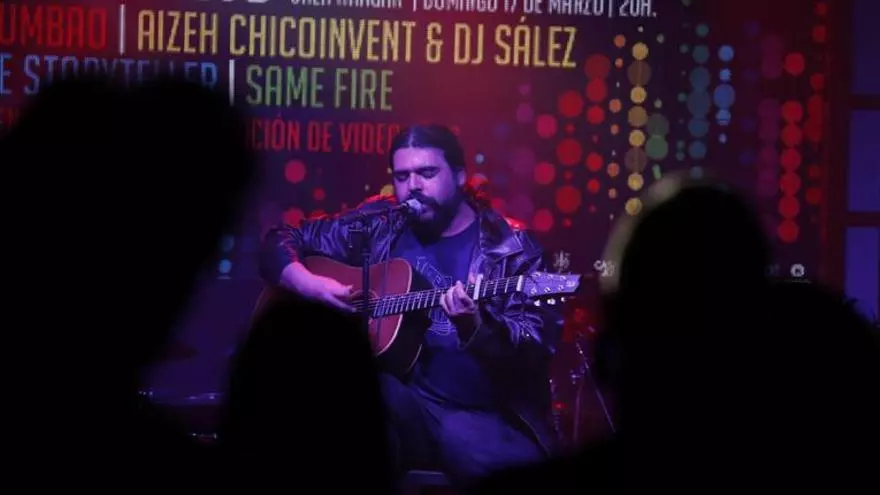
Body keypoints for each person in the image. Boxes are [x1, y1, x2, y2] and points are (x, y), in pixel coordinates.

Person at [259, 124, 561, 490]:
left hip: (482, 413)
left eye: (427, 173)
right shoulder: (381, 222)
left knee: (473, 447)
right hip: (403, 405)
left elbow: (534, 345)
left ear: (460, 176)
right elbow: (281, 238)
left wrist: (475, 327)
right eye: (402, 176)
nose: (413, 186)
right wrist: (311, 285)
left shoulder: (512, 248)